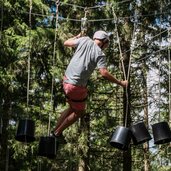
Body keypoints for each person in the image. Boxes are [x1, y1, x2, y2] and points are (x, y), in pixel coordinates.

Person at [52, 30, 128, 143]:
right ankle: (57, 133)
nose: (107, 46)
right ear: (104, 41)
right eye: (107, 44)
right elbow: (104, 73)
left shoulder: (84, 40)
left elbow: (66, 43)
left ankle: (54, 132)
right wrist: (121, 83)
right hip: (76, 86)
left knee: (72, 108)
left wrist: (77, 36)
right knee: (79, 112)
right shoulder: (100, 54)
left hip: (66, 82)